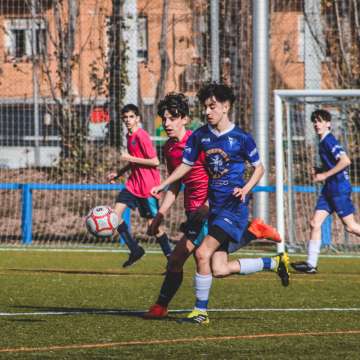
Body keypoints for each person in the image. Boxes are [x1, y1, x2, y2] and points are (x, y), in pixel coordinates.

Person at [149, 85, 289, 324]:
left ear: (226, 107)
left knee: (197, 255)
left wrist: (244, 189)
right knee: (219, 268)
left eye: (212, 106)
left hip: (227, 208)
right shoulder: (198, 138)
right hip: (209, 209)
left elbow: (258, 168)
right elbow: (184, 171)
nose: (207, 111)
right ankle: (272, 261)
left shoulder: (240, 138)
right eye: (205, 106)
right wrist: (163, 191)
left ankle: (196, 311)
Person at [291, 109, 360, 274]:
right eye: (314, 121)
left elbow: (345, 161)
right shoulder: (322, 141)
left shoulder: (329, 140)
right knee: (315, 223)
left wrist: (324, 174)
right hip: (329, 188)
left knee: (350, 227)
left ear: (328, 123)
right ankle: (311, 264)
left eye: (320, 121)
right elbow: (333, 164)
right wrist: (321, 169)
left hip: (338, 188)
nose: (316, 124)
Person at [107, 104, 172, 268]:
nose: (128, 120)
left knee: (153, 226)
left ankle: (172, 261)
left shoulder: (142, 136)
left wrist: (130, 158)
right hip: (133, 185)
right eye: (125, 118)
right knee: (115, 216)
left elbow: (154, 161)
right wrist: (119, 173)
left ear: (137, 119)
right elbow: (133, 161)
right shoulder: (129, 136)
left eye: (131, 117)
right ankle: (135, 250)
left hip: (148, 187)